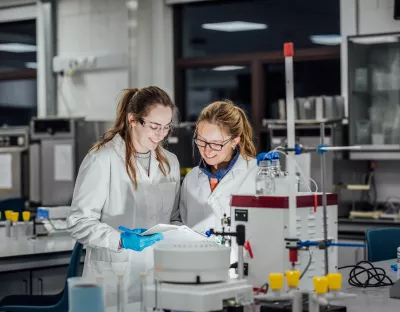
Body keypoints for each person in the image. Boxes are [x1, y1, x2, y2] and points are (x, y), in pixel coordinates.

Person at [67, 86, 180, 306]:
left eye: (166, 127)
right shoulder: (102, 159)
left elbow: (173, 217)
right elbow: (78, 222)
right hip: (112, 279)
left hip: (156, 277)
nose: (161, 135)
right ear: (132, 120)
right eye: (155, 126)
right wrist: (120, 239)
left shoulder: (170, 162)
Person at [173, 99, 257, 235]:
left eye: (216, 143)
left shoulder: (256, 174)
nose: (207, 150)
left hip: (240, 256)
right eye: (201, 141)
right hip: (198, 255)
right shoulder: (192, 178)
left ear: (234, 141)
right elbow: (182, 225)